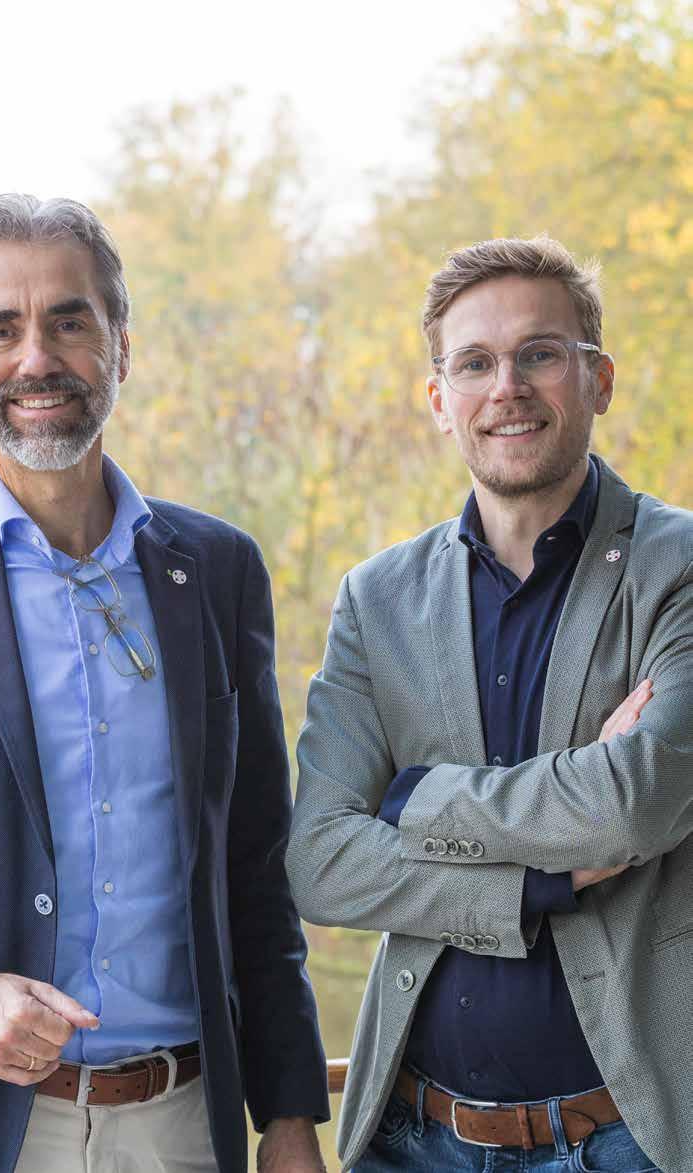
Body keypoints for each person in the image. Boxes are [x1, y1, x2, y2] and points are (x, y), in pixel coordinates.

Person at [0, 194, 329, 1173]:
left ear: (122, 347)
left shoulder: (219, 569)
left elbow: (255, 864)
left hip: (185, 1126)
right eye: (0, 329)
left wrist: (289, 1115)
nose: (38, 358)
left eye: (70, 321)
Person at [287, 236, 692, 1173]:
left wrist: (416, 798)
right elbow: (320, 862)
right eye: (472, 363)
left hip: (623, 1140)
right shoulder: (375, 599)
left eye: (538, 354)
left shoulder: (675, 567)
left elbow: (634, 803)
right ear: (439, 400)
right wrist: (542, 877)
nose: (505, 387)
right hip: (410, 1137)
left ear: (598, 380)